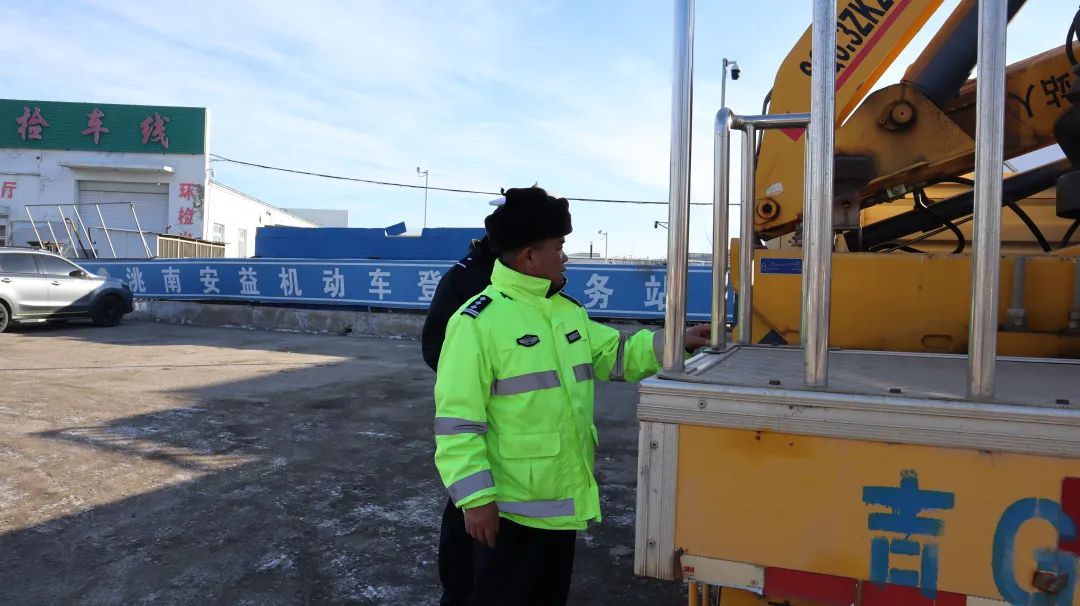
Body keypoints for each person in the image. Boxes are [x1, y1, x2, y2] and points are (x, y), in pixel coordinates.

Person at [433, 186, 710, 605]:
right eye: (559, 247)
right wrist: (475, 500)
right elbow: (457, 422)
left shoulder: (567, 312)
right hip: (507, 513)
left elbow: (616, 353)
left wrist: (675, 344)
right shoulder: (477, 322)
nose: (565, 257)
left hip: (559, 508)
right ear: (529, 256)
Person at [421, 233, 497, 606]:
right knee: (468, 500)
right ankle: (458, 592)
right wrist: (465, 378)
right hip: (477, 403)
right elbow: (435, 343)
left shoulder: (527, 277)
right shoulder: (467, 277)